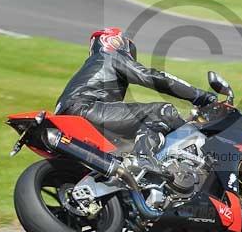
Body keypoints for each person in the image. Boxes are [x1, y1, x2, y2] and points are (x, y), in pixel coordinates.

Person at [54, 27, 218, 170]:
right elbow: (152, 77)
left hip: (69, 119)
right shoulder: (110, 57)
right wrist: (200, 96)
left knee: (130, 140)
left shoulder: (92, 66)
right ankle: (143, 159)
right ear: (116, 43)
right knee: (162, 111)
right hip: (85, 110)